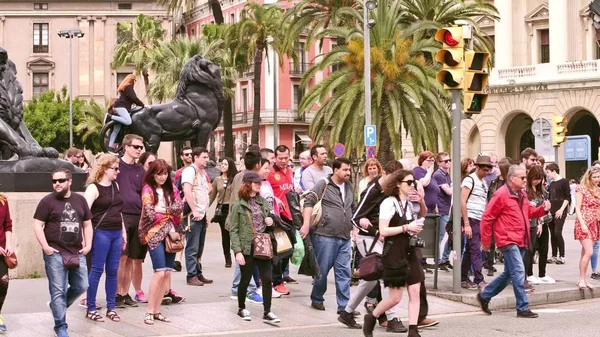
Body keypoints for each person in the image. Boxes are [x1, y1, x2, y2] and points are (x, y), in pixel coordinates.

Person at [477, 165, 550, 319]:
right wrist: (486, 242)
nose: (525, 180)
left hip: (520, 239)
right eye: (522, 178)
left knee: (509, 274)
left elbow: (529, 213)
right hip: (508, 239)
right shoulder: (501, 194)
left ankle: (485, 296)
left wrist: (543, 209)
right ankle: (522, 307)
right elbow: (487, 217)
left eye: (525, 177)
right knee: (518, 272)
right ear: (511, 178)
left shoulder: (521, 194)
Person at [363, 169, 426, 337]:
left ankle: (413, 330)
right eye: (409, 182)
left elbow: (419, 217)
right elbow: (383, 230)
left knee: (415, 291)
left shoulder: (409, 204)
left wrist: (415, 227)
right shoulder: (388, 203)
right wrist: (407, 227)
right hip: (394, 252)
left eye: (414, 182)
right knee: (395, 298)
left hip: (410, 251)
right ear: (398, 184)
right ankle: (372, 317)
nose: (412, 185)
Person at [33, 169, 92, 337]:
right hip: (55, 252)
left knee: (82, 286)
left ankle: (56, 306)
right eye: (54, 181)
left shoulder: (80, 200)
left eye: (61, 180)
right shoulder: (47, 201)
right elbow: (37, 225)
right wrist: (45, 247)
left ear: (70, 181)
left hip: (77, 251)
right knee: (57, 290)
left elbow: (87, 224)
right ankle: (60, 327)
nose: (57, 183)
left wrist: (88, 245)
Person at [300, 158, 355, 314]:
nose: (348, 173)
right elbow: (309, 202)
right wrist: (305, 224)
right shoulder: (324, 184)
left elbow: (352, 207)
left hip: (345, 236)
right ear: (335, 170)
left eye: (349, 170)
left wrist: (355, 228)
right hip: (325, 235)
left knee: (344, 272)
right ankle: (317, 298)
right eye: (345, 170)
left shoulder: (349, 186)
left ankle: (344, 307)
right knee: (322, 271)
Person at [229, 171, 281, 323]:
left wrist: (272, 221)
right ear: (248, 184)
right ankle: (241, 308)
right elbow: (234, 230)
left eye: (260, 183)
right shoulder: (238, 205)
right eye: (256, 182)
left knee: (267, 278)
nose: (260, 185)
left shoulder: (262, 202)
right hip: (246, 246)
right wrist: (237, 251)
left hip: (263, 245)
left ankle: (267, 311)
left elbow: (272, 218)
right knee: (245, 278)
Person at [139, 159, 184, 324]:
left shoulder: (171, 188)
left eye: (165, 173)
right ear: (152, 174)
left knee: (166, 273)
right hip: (154, 234)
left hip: (171, 234)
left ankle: (157, 311)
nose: (162, 177)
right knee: (159, 272)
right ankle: (149, 311)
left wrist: (161, 209)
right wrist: (168, 211)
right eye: (159, 174)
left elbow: (179, 208)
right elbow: (150, 213)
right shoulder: (147, 189)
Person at [83, 154, 126, 323]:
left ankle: (111, 307)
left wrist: (123, 232)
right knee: (96, 270)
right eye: (115, 168)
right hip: (100, 231)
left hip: (115, 232)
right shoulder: (93, 188)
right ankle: (91, 307)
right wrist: (85, 238)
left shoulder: (115, 185)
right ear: (104, 169)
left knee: (113, 270)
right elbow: (84, 214)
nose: (117, 171)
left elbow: (119, 211)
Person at [228, 152, 267, 303]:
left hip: (237, 222)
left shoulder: (239, 176)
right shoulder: (249, 180)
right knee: (243, 258)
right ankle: (245, 290)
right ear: (258, 165)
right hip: (243, 225)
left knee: (242, 259)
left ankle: (239, 289)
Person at [116, 134, 146, 307]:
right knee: (121, 257)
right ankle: (116, 294)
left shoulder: (140, 170)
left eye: (141, 147)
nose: (139, 150)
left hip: (138, 216)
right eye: (136, 147)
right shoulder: (116, 166)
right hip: (121, 216)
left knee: (132, 258)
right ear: (126, 147)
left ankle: (125, 293)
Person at [267, 145, 296, 294]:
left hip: (290, 216)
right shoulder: (270, 173)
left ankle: (276, 277)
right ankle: (277, 282)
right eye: (280, 158)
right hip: (278, 217)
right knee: (280, 250)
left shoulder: (290, 171)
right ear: (275, 158)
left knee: (289, 250)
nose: (284, 161)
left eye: (286, 158)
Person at [182, 147, 213, 286]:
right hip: (192, 215)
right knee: (192, 247)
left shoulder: (202, 173)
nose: (206, 160)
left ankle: (198, 272)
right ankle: (191, 275)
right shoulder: (190, 171)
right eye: (204, 157)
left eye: (207, 157)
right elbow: (187, 190)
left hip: (201, 214)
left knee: (199, 247)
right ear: (196, 157)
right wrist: (194, 210)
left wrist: (204, 214)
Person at [460, 155, 491, 291]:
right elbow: (462, 201)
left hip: (479, 219)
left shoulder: (483, 182)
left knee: (470, 250)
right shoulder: (469, 180)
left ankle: (462, 277)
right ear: (477, 167)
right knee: (475, 249)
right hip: (471, 218)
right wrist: (466, 223)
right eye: (484, 169)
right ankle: (479, 279)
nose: (486, 172)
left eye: (488, 169)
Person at [484, 157, 513, 276]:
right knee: (491, 242)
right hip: (493, 214)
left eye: (498, 167)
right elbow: (489, 197)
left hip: (505, 216)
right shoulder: (494, 182)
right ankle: (490, 265)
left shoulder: (510, 183)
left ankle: (508, 268)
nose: (495, 169)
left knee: (506, 243)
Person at [574, 166, 600, 289]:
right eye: (594, 177)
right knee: (589, 252)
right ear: (589, 177)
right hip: (584, 222)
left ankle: (582, 279)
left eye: (598, 177)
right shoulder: (581, 189)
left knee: (585, 252)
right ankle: (581, 279)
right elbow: (577, 208)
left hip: (595, 223)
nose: (596, 179)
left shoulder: (598, 190)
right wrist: (583, 223)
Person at [209, 157, 238, 268]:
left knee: (234, 233)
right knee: (225, 235)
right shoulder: (217, 180)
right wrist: (203, 208)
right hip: (222, 209)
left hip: (232, 208)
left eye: (225, 164)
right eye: (222, 164)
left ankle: (238, 256)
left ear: (230, 166)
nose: (222, 166)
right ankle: (227, 258)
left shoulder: (235, 179)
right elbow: (212, 196)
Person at [109, 74, 150, 150]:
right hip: (121, 107)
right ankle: (110, 117)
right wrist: (143, 105)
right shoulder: (128, 87)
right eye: (134, 80)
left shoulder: (123, 88)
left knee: (116, 130)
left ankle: (110, 146)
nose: (134, 82)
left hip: (119, 107)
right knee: (128, 121)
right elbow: (134, 98)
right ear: (132, 80)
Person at [523, 166, 546, 291]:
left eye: (539, 179)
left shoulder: (539, 190)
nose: (536, 181)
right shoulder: (525, 189)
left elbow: (541, 207)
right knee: (526, 251)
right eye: (535, 179)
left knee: (530, 251)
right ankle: (523, 277)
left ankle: (524, 276)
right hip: (525, 224)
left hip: (534, 223)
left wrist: (540, 223)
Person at [545, 163, 570, 265]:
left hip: (560, 211)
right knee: (552, 234)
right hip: (551, 211)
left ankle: (562, 256)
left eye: (548, 172)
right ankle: (554, 255)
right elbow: (550, 198)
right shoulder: (551, 184)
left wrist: (561, 209)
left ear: (554, 171)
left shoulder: (564, 181)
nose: (547, 175)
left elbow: (567, 197)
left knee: (557, 233)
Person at [173, 146, 193, 271]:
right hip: (183, 207)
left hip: (195, 207)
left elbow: (209, 188)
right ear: (182, 157)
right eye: (186, 154)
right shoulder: (179, 173)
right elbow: (175, 190)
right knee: (181, 232)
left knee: (195, 237)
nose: (189, 156)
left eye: (191, 154)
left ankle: (197, 262)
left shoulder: (200, 171)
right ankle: (178, 260)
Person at [432, 152, 452, 270]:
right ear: (439, 163)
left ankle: (443, 259)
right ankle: (438, 260)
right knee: (440, 236)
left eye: (449, 160)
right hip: (441, 208)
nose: (448, 162)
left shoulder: (446, 174)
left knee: (446, 234)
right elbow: (448, 191)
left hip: (445, 208)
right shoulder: (438, 174)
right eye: (446, 161)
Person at [0, 194, 13, 333]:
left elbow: (7, 224)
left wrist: (8, 244)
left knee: (3, 283)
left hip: (2, 252)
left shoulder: (3, 201)